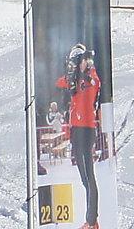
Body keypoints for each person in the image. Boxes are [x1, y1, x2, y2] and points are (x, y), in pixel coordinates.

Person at [57, 45, 102, 229]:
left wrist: (84, 73)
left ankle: (92, 222)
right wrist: (70, 75)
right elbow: (59, 82)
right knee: (84, 177)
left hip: (86, 129)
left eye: (80, 61)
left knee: (89, 175)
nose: (79, 65)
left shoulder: (92, 77)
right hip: (76, 129)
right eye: (77, 62)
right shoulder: (76, 79)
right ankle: (91, 220)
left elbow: (94, 85)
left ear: (86, 61)